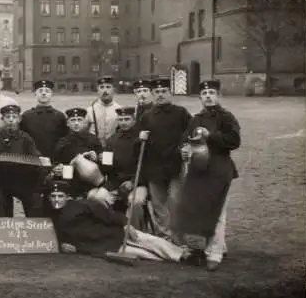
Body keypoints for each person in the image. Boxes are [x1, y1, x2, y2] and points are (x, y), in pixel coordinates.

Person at [174, 80, 241, 271]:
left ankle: (215, 254)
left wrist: (210, 135)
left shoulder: (226, 117)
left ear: (218, 95)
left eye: (212, 92)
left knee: (217, 211)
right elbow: (184, 141)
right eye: (204, 93)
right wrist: (184, 150)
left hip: (219, 169)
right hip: (198, 170)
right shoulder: (195, 119)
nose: (208, 96)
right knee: (199, 210)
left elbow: (235, 141)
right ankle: (207, 247)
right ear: (200, 97)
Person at [46, 180, 195, 263]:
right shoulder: (50, 215)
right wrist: (61, 245)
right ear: (49, 198)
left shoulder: (82, 205)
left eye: (60, 196)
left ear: (68, 197)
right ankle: (178, 258)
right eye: (54, 196)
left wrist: (125, 223)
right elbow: (51, 236)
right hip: (102, 247)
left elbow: (108, 215)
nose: (57, 200)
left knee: (150, 241)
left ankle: (184, 255)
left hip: (115, 233)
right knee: (146, 255)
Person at [137, 78, 192, 240]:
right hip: (154, 167)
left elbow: (190, 133)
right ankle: (164, 236)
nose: (160, 95)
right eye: (157, 92)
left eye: (164, 92)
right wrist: (140, 137)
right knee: (158, 204)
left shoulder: (181, 113)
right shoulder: (147, 116)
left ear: (170, 93)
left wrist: (186, 147)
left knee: (176, 201)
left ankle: (178, 236)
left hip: (175, 165)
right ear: (153, 94)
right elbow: (139, 141)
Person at [0, 104, 47, 218]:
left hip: (21, 180)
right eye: (7, 117)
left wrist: (38, 163)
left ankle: (35, 228)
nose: (11, 120)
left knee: (34, 199)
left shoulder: (26, 138)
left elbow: (36, 157)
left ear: (19, 119)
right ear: (2, 119)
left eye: (14, 117)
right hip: (0, 180)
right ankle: (3, 230)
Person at [102, 107, 150, 230]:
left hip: (138, 182)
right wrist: (102, 160)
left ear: (134, 120)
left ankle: (133, 234)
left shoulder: (142, 139)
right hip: (116, 182)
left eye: (127, 119)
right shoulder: (112, 140)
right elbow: (107, 169)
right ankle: (111, 230)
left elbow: (148, 165)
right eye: (120, 119)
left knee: (136, 202)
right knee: (98, 198)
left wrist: (133, 182)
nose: (123, 122)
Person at [53, 107, 104, 199]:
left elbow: (104, 164)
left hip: (91, 185)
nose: (76, 123)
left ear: (85, 122)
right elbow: (56, 162)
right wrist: (57, 169)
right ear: (67, 123)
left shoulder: (94, 140)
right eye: (73, 120)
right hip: (70, 184)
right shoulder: (62, 142)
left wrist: (96, 159)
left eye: (79, 120)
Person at [20, 80, 68, 160]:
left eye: (47, 91)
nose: (44, 93)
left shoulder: (59, 116)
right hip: (32, 159)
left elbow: (64, 139)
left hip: (54, 158)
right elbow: (22, 139)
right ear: (35, 94)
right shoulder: (27, 116)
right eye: (40, 91)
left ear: (52, 94)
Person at [87, 76, 122, 146]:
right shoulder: (90, 110)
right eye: (101, 87)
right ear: (98, 91)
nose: (105, 91)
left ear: (114, 90)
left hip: (113, 148)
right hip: (94, 148)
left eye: (108, 87)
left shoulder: (120, 110)